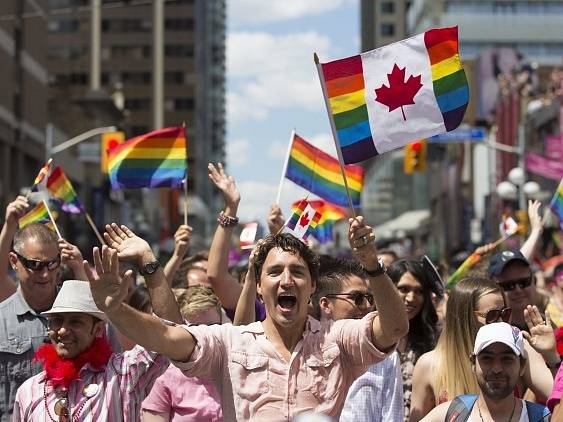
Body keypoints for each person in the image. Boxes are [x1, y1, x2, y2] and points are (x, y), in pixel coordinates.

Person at [85, 216, 409, 420]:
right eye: (274, 272)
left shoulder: (338, 340)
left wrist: (372, 267)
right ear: (258, 287)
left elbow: (394, 326)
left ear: (312, 286)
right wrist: (115, 308)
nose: (286, 281)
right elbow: (168, 337)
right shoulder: (230, 342)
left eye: (297, 272)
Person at [13, 222, 182, 421]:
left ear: (98, 329)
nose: (63, 330)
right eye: (57, 321)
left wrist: (147, 261)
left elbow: (171, 335)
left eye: (76, 322)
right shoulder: (30, 391)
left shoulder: (122, 376)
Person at [410, 277, 556, 421]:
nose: (500, 322)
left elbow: (557, 395)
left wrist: (551, 356)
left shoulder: (519, 350)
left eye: (504, 314)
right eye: (492, 315)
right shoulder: (429, 364)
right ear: (464, 317)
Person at [0, 222, 85, 421]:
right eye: (35, 265)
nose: (45, 274)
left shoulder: (83, 316)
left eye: (52, 263)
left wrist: (80, 271)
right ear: (14, 261)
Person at [312, 255, 404, 422]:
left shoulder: (386, 357)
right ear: (326, 304)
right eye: (357, 298)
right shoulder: (304, 350)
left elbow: (392, 416)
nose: (367, 306)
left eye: (369, 298)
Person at [421, 322, 550, 421]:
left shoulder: (542, 417)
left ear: (522, 366)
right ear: (473, 363)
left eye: (506, 359)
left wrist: (553, 358)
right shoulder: (452, 413)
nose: (496, 369)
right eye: (487, 359)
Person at [142, 286, 224, 422]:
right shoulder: (163, 378)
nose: (205, 336)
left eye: (212, 327)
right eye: (195, 328)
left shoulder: (234, 369)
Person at [387, 259, 440, 421]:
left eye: (419, 291)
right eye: (403, 289)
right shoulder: (368, 336)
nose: (411, 298)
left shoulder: (433, 340)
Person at [490, 249, 548, 331]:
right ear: (492, 287)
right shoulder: (491, 332)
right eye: (508, 285)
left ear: (533, 281)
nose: (518, 290)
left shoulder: (548, 324)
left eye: (524, 282)